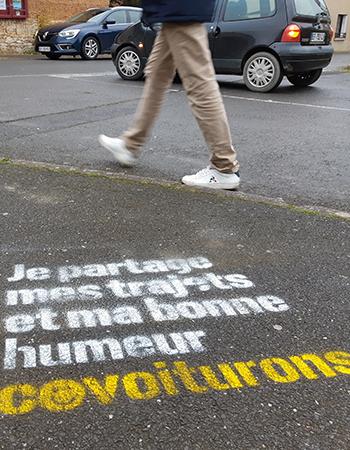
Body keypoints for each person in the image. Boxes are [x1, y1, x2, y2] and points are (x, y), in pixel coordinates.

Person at [99, 0, 240, 190]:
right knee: (156, 75)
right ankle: (131, 144)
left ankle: (224, 167)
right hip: (172, 11)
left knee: (199, 83)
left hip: (179, 8)